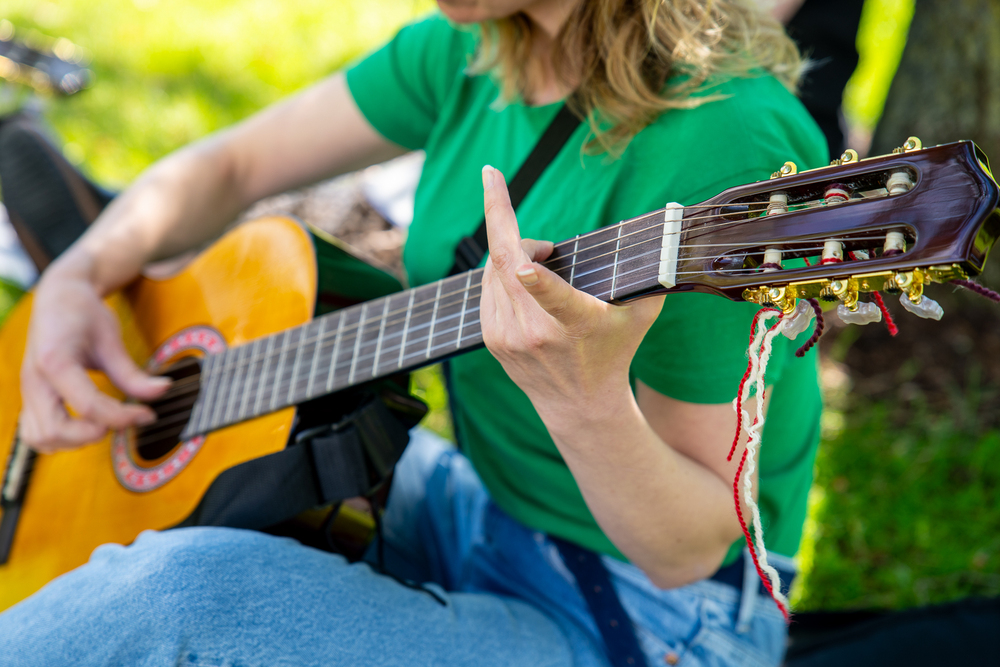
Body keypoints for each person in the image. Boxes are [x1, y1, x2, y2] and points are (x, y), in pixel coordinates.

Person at [0, 0, 826, 665]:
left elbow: (688, 547)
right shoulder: (479, 47)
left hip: (650, 616)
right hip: (486, 501)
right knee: (231, 457)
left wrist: (587, 398)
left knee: (175, 596)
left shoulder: (728, 139)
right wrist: (76, 274)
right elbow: (232, 166)